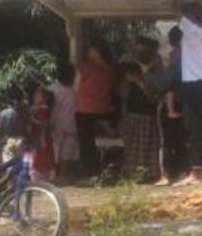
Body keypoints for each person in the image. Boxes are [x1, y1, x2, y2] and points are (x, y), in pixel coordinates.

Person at [177, 0, 202, 184]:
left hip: (191, 85)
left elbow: (176, 10)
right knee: (199, 127)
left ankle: (196, 170)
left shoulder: (188, 28)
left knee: (192, 129)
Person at [144, 26, 185, 186]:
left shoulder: (177, 61)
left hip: (171, 104)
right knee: (179, 139)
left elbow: (161, 85)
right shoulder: (192, 58)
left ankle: (167, 174)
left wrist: (146, 73)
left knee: (166, 141)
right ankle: (182, 171)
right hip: (183, 103)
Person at [74, 41, 115, 179]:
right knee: (94, 141)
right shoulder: (109, 69)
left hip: (85, 109)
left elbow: (76, 87)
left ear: (97, 52)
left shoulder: (84, 67)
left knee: (86, 143)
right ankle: (100, 169)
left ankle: (88, 172)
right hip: (103, 109)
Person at [119, 62, 159, 182]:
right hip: (132, 117)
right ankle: (133, 174)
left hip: (146, 117)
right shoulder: (125, 85)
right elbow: (123, 97)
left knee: (146, 147)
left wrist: (139, 83)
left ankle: (148, 174)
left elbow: (152, 98)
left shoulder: (147, 81)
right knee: (131, 148)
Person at [49, 60, 78, 184]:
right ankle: (63, 174)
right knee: (67, 151)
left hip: (57, 125)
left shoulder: (53, 89)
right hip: (72, 124)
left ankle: (56, 175)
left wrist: (51, 123)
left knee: (57, 151)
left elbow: (53, 109)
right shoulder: (75, 89)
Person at [29, 88, 57, 181]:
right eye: (35, 96)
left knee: (42, 157)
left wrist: (32, 120)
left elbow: (44, 124)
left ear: (44, 99)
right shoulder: (34, 109)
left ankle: (45, 177)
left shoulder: (45, 109)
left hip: (42, 138)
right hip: (37, 138)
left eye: (38, 96)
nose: (35, 98)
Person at [0, 93, 27, 164]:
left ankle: (10, 174)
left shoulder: (2, 113)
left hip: (8, 140)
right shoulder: (24, 112)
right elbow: (28, 128)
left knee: (8, 164)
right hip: (21, 140)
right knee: (20, 164)